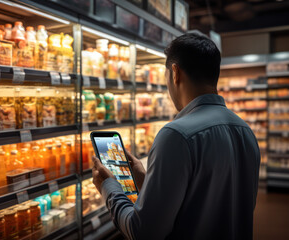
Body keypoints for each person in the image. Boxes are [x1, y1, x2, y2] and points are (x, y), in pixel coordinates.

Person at [91, 33, 260, 240]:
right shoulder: (245, 131)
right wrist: (145, 180)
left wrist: (109, 187)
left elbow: (143, 231)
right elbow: (203, 204)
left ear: (175, 72)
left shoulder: (176, 135)